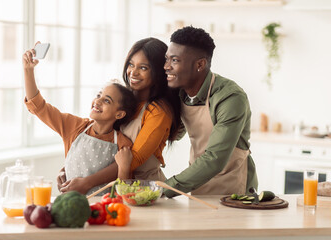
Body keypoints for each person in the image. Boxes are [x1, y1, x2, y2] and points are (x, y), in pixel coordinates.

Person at [22, 43, 137, 195]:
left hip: (103, 211)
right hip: (70, 205)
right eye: (98, 95)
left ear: (119, 114)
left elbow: (124, 192)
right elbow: (39, 107)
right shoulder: (75, 127)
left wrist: (123, 167)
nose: (97, 101)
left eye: (107, 100)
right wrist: (28, 70)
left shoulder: (123, 144)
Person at [163, 26, 258, 197]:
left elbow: (215, 159)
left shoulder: (230, 97)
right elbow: (176, 134)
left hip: (233, 189)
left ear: (200, 64)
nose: (166, 67)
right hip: (199, 184)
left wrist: (164, 189)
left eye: (174, 60)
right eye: (166, 59)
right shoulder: (181, 93)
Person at [115, 37, 181, 181]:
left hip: (145, 191)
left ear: (158, 72)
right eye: (131, 65)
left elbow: (134, 160)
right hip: (115, 184)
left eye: (143, 68)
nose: (133, 72)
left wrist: (87, 179)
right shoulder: (121, 98)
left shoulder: (159, 110)